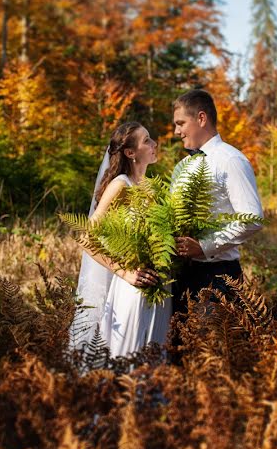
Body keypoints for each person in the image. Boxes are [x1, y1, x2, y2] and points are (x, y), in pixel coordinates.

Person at [170, 89, 264, 345]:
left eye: (181, 123)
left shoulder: (231, 160)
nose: (176, 132)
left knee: (212, 352)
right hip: (180, 276)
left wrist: (203, 247)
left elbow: (252, 218)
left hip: (217, 276)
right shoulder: (182, 167)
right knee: (179, 351)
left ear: (201, 118)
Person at [71, 121, 171, 358]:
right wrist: (124, 272)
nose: (154, 143)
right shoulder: (120, 185)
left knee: (155, 361)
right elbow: (86, 237)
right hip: (132, 286)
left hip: (161, 287)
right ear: (130, 152)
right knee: (129, 358)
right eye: (147, 140)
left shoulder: (151, 188)